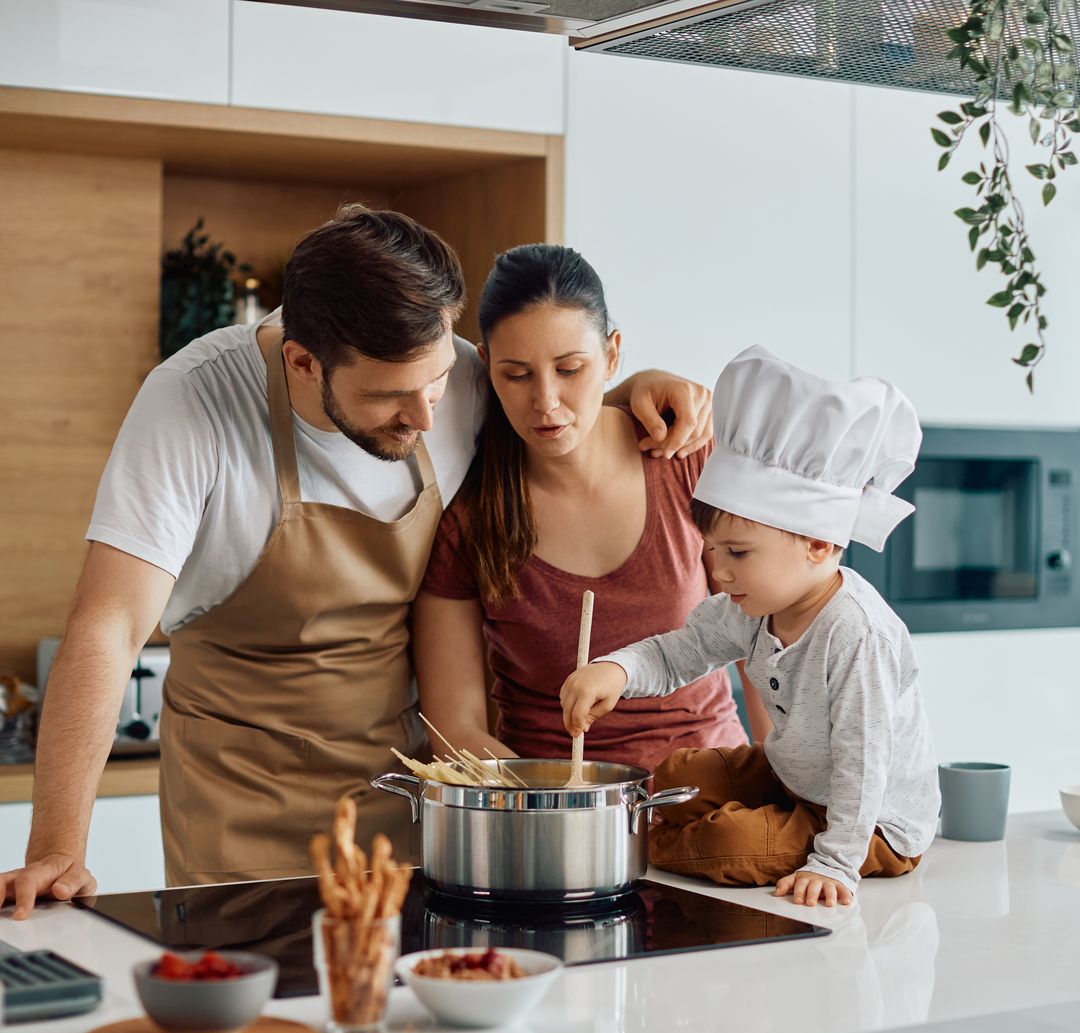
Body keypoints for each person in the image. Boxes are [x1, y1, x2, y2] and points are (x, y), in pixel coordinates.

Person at [0, 206, 714, 916]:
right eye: (389, 398)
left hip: (401, 793)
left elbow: (556, 410)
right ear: (303, 362)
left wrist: (638, 388)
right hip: (239, 806)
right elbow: (108, 626)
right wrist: (58, 849)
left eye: (436, 383)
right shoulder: (194, 404)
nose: (428, 417)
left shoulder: (456, 378)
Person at [560, 346, 940, 907]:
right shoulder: (752, 606)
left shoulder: (857, 634)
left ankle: (648, 844)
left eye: (737, 551)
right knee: (673, 775)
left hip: (871, 822)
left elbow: (865, 762)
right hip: (797, 780)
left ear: (818, 543)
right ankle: (681, 827)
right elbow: (680, 651)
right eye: (712, 550)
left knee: (726, 844)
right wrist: (616, 670)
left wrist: (835, 864)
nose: (717, 570)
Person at [414, 244, 766, 774]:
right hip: (553, 807)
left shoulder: (691, 464)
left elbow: (766, 651)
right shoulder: (469, 519)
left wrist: (791, 789)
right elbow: (455, 728)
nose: (546, 400)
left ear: (612, 355)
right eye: (517, 375)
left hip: (714, 790)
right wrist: (549, 809)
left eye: (570, 368)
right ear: (486, 367)